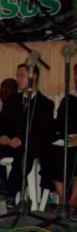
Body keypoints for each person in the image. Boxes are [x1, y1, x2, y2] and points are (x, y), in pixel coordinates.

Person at [0, 63, 55, 196]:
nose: (18, 79)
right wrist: (2, 137)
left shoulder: (45, 104)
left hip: (28, 145)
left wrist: (20, 140)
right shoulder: (12, 101)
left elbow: (42, 131)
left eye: (21, 76)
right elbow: (0, 126)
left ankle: (10, 192)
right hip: (8, 144)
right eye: (17, 76)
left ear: (33, 76)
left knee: (24, 155)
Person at [41, 62, 77, 211]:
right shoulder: (69, 99)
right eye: (75, 74)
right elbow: (60, 123)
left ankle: (74, 199)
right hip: (67, 140)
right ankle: (63, 197)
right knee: (51, 151)